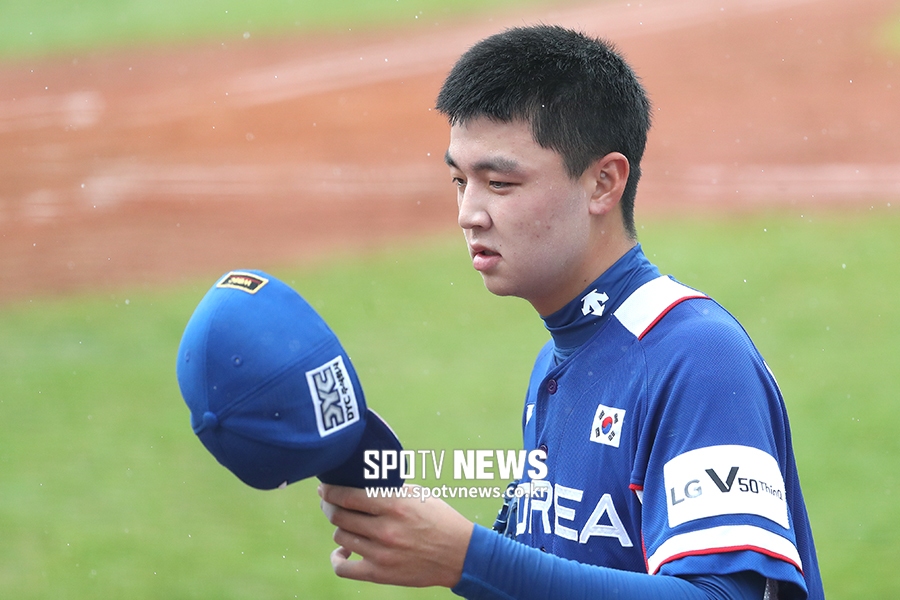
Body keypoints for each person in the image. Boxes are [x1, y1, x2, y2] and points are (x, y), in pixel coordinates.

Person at [319, 25, 824, 599]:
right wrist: (437, 550)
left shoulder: (696, 357)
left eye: (500, 183)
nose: (469, 213)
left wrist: (468, 558)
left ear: (604, 183)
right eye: (460, 181)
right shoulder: (560, 362)